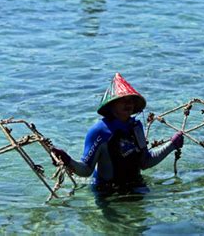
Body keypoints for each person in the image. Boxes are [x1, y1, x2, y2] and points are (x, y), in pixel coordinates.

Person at [51, 73, 184, 194]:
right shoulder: (99, 131)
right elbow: (86, 170)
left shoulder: (136, 126)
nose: (128, 104)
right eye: (123, 100)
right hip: (106, 190)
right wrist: (68, 160)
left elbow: (145, 162)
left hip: (135, 184)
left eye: (131, 100)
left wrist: (171, 145)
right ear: (111, 105)